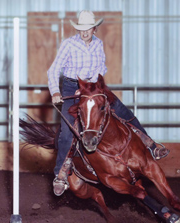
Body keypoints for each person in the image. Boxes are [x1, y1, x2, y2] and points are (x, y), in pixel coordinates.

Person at [47, 10, 169, 196]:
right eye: (81, 29)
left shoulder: (98, 44)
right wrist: (55, 91)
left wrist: (90, 87)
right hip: (72, 87)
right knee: (66, 132)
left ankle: (151, 145)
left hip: (93, 86)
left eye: (88, 28)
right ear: (77, 29)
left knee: (123, 111)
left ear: (95, 29)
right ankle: (61, 174)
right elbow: (54, 69)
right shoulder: (69, 44)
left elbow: (101, 67)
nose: (85, 32)